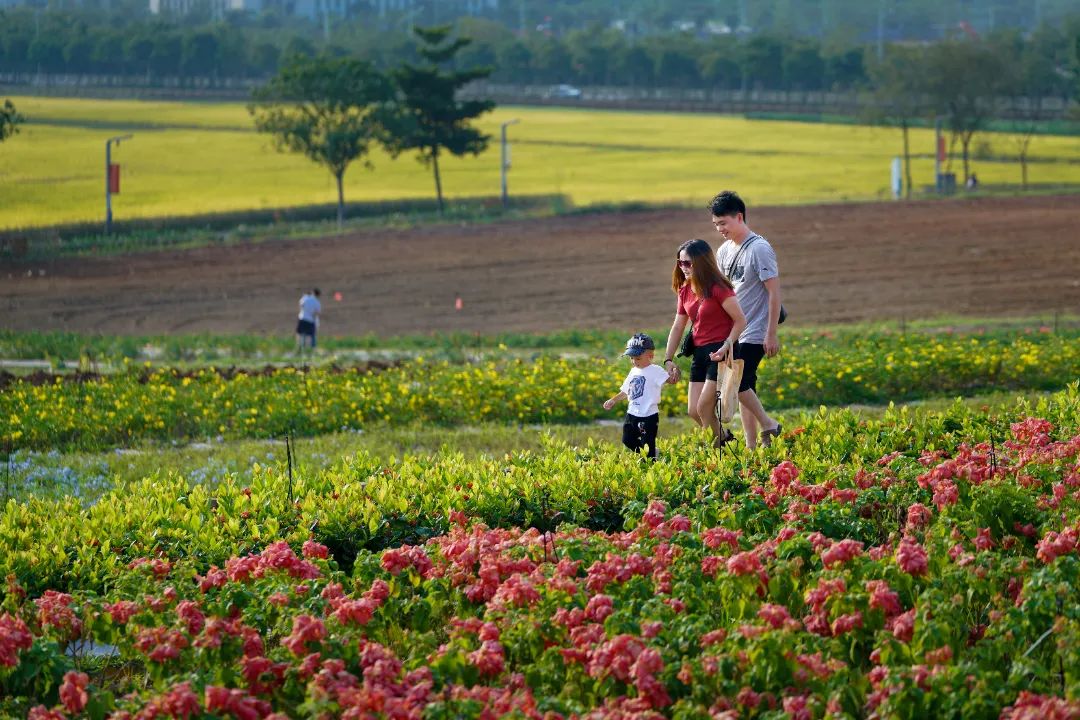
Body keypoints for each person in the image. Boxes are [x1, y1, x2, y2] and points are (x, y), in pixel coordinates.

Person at [710, 190, 783, 448]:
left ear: (739, 217)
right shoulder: (723, 251)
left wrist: (770, 334)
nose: (720, 228)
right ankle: (755, 444)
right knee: (746, 388)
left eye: (723, 223)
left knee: (739, 384)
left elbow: (774, 293)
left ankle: (769, 425)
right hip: (733, 332)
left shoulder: (760, 249)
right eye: (716, 224)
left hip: (755, 330)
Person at [660, 239, 747, 449]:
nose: (683, 268)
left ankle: (719, 454)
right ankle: (725, 440)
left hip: (721, 350)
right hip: (700, 352)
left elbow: (741, 320)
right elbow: (678, 326)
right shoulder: (685, 290)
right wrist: (668, 358)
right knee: (693, 410)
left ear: (701, 262)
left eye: (688, 263)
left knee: (704, 407)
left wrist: (727, 345)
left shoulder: (718, 288)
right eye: (680, 263)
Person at [603, 333, 675, 459]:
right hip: (632, 413)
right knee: (627, 439)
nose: (634, 361)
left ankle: (650, 461)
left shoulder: (655, 370)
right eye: (631, 358)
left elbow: (671, 380)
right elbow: (626, 391)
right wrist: (613, 400)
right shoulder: (633, 371)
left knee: (648, 442)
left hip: (648, 415)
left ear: (650, 356)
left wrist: (674, 372)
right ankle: (649, 455)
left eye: (637, 358)